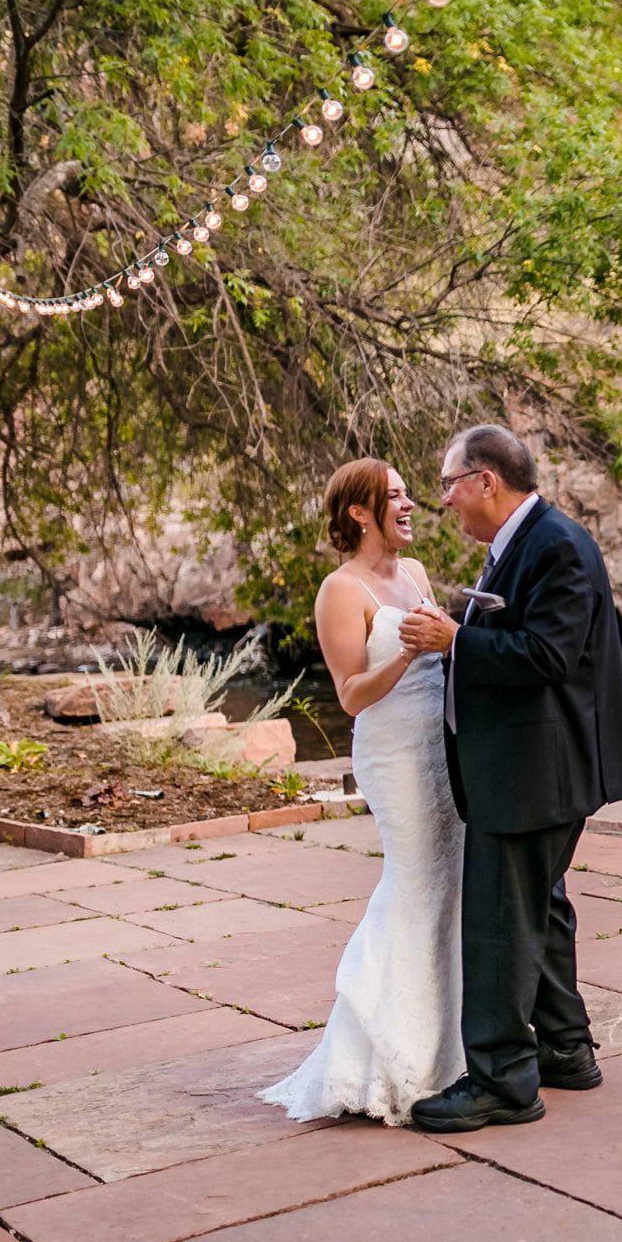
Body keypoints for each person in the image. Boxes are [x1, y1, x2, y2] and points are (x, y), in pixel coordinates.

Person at [396, 424, 622, 1133]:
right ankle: (565, 1047)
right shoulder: (525, 543)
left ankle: (504, 1078)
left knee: (503, 921)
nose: (444, 500)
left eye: (448, 483)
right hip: (534, 765)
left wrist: (456, 640)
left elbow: (550, 656)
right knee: (541, 907)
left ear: (486, 482)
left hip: (538, 768)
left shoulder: (556, 545)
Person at [259, 459, 465, 1126]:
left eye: (409, 494)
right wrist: (405, 653)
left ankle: (453, 1052)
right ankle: (387, 1056)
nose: (410, 504)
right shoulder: (339, 591)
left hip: (439, 745)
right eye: (396, 495)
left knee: (451, 886)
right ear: (360, 511)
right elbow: (351, 695)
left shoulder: (416, 573)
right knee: (413, 884)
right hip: (395, 754)